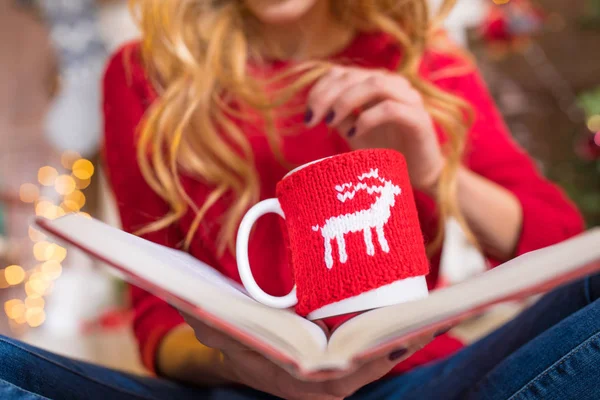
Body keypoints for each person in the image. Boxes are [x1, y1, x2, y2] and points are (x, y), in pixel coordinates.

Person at [0, 0, 597, 399]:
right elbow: (156, 324)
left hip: (417, 380)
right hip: (235, 388)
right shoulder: (144, 75)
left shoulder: (424, 64)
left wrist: (433, 166)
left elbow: (560, 252)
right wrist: (241, 366)